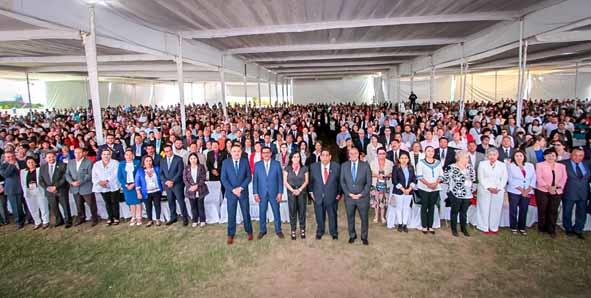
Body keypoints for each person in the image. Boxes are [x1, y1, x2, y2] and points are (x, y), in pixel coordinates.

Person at [221, 143, 253, 245]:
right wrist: (233, 190)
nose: (236, 153)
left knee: (246, 213)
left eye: (238, 151)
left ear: (241, 152)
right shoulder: (226, 162)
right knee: (231, 214)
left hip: (243, 192)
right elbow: (223, 178)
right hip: (231, 193)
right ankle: (231, 234)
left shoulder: (244, 161)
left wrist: (241, 188)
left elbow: (248, 177)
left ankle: (249, 231)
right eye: (234, 151)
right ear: (230, 152)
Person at [340, 147, 372, 245]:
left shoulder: (365, 166)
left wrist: (361, 194)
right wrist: (348, 193)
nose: (353, 155)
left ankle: (364, 237)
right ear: (349, 155)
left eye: (355, 153)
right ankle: (352, 235)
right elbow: (342, 182)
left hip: (362, 198)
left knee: (364, 218)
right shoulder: (344, 165)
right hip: (349, 198)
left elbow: (368, 183)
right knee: (350, 217)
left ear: (358, 154)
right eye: (351, 153)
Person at [308, 149, 341, 240]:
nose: (325, 157)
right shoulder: (313, 167)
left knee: (332, 215)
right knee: (319, 215)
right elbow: (311, 181)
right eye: (323, 155)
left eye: (327, 155)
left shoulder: (336, 167)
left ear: (330, 157)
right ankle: (320, 231)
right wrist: (311, 192)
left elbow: (339, 182)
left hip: (332, 196)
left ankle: (333, 232)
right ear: (320, 157)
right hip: (318, 196)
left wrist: (339, 193)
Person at [441, 150, 475, 237]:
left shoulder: (470, 167)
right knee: (454, 212)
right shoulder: (450, 167)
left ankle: (464, 229)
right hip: (455, 193)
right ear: (460, 158)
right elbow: (445, 179)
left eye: (468, 157)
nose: (467, 159)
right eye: (466, 157)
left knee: (464, 212)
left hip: (467, 194)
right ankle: (454, 229)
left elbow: (473, 178)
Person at [535, 148, 567, 238]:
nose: (550, 157)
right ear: (544, 157)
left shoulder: (561, 166)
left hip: (557, 191)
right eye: (548, 155)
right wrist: (548, 187)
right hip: (542, 190)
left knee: (553, 210)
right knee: (543, 209)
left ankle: (551, 229)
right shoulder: (539, 165)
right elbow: (539, 178)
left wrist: (556, 187)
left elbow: (564, 178)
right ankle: (542, 228)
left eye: (553, 155)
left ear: (556, 157)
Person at [253, 146, 284, 239]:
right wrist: (255, 193)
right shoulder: (257, 165)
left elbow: (280, 180)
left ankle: (278, 230)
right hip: (261, 193)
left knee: (276, 212)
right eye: (264, 152)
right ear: (262, 154)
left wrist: (280, 192)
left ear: (271, 153)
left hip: (274, 193)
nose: (266, 154)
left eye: (268, 152)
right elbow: (255, 180)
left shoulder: (277, 164)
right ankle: (262, 230)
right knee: (262, 212)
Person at [476, 148, 508, 235]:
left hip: (498, 190)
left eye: (494, 155)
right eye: (490, 155)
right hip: (485, 189)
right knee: (484, 207)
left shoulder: (502, 165)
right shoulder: (482, 164)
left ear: (497, 156)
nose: (492, 157)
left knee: (496, 209)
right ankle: (483, 226)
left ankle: (493, 227)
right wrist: (488, 187)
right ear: (487, 155)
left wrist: (499, 188)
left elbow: (504, 178)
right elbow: (480, 178)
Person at [560, 147, 589, 239]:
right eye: (575, 155)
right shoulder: (563, 164)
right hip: (569, 192)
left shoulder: (587, 164)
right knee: (567, 211)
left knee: (582, 212)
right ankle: (568, 228)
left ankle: (578, 229)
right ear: (571, 154)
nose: (578, 157)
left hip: (584, 192)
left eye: (580, 155)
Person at [506, 150, 536, 235]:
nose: (519, 158)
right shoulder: (510, 166)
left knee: (524, 209)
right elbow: (510, 179)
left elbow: (534, 178)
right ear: (513, 157)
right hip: (514, 191)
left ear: (524, 157)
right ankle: (513, 227)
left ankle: (522, 227)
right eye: (516, 156)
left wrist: (528, 189)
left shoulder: (530, 166)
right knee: (513, 209)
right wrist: (522, 190)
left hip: (528, 191)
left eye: (520, 156)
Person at [65, 147, 97, 226]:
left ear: (83, 153)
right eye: (76, 152)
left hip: (86, 187)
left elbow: (89, 175)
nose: (77, 154)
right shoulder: (70, 162)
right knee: (78, 205)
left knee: (91, 204)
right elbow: (67, 174)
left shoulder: (89, 162)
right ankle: (81, 218)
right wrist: (71, 182)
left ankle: (94, 218)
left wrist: (80, 182)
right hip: (75, 187)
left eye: (79, 152)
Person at [39, 151, 71, 228]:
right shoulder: (42, 167)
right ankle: (59, 220)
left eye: (52, 156)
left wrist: (55, 187)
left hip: (61, 189)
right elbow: (40, 180)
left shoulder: (63, 165)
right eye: (49, 157)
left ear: (55, 156)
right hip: (49, 191)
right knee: (54, 207)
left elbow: (64, 178)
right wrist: (47, 187)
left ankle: (68, 221)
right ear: (46, 159)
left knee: (65, 206)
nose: (51, 158)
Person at [415, 146, 443, 234]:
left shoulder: (438, 163)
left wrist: (435, 183)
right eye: (428, 151)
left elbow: (441, 175)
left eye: (432, 151)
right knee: (424, 206)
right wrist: (428, 184)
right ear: (425, 152)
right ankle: (424, 226)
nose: (430, 153)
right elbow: (419, 176)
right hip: (424, 188)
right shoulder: (421, 163)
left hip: (435, 188)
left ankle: (430, 226)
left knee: (432, 206)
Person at [160, 144, 188, 226]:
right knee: (170, 201)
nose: (168, 153)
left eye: (169, 151)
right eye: (166, 151)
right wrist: (166, 181)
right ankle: (173, 217)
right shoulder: (163, 160)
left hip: (177, 184)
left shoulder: (179, 159)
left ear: (172, 150)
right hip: (168, 185)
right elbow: (161, 173)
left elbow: (180, 172)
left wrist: (172, 181)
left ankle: (185, 218)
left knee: (181, 201)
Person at [283, 151, 309, 240]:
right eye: (294, 157)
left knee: (302, 211)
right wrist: (293, 190)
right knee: (292, 212)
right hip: (291, 192)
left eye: (298, 157)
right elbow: (285, 182)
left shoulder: (304, 168)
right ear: (291, 158)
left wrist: (300, 190)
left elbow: (306, 181)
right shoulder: (287, 168)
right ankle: (293, 230)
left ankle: (302, 229)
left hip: (302, 192)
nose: (296, 158)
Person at [92, 149, 121, 226]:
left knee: (114, 202)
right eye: (104, 154)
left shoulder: (115, 163)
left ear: (110, 155)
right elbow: (94, 176)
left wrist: (107, 181)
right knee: (107, 202)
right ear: (101, 155)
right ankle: (110, 217)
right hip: (102, 186)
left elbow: (115, 174)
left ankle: (116, 217)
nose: (106, 156)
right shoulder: (96, 164)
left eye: (108, 154)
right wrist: (100, 182)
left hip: (113, 185)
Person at [20, 157, 49, 229]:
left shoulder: (40, 170)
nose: (31, 164)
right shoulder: (23, 172)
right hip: (29, 191)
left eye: (32, 162)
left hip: (39, 190)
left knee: (43, 206)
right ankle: (37, 221)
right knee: (32, 207)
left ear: (35, 163)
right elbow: (22, 183)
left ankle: (45, 221)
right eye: (28, 162)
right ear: (26, 164)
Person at [390, 152, 415, 232]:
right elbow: (394, 180)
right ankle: (400, 224)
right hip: (398, 192)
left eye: (406, 158)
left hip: (409, 192)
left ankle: (405, 224)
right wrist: (403, 190)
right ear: (399, 159)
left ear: (408, 159)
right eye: (402, 158)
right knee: (399, 208)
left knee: (406, 208)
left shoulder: (411, 167)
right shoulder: (396, 168)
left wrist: (409, 189)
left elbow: (414, 179)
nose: (404, 160)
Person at [135, 155, 163, 227]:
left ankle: (158, 219)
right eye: (146, 161)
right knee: (148, 207)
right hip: (146, 192)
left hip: (156, 191)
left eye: (150, 160)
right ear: (143, 162)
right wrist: (138, 192)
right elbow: (137, 182)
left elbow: (161, 178)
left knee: (157, 205)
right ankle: (150, 220)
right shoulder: (140, 171)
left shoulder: (156, 169)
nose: (148, 162)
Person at [183, 152, 209, 227]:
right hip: (190, 190)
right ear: (189, 160)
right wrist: (190, 186)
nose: (193, 160)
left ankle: (202, 220)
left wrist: (197, 185)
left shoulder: (201, 167)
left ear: (197, 159)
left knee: (200, 205)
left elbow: (203, 177)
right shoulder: (186, 168)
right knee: (193, 206)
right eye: (191, 158)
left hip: (200, 189)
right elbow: (185, 179)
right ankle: (195, 220)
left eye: (194, 158)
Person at [0, 151, 25, 229]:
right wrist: (11, 165)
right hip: (12, 189)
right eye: (8, 157)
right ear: (5, 158)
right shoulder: (3, 166)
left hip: (25, 187)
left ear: (15, 156)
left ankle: (30, 219)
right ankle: (19, 222)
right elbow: (5, 174)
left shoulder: (22, 162)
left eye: (12, 156)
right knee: (16, 206)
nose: (11, 158)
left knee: (27, 205)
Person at [118, 150, 142, 226]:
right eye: (127, 155)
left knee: (138, 202)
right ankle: (133, 217)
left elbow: (139, 174)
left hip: (136, 185)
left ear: (133, 155)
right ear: (124, 156)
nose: (128, 156)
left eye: (130, 154)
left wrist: (134, 184)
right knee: (131, 202)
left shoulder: (137, 162)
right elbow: (119, 176)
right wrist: (125, 185)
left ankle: (139, 217)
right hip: (127, 187)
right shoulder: (121, 164)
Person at [370, 147, 393, 224]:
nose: (382, 155)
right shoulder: (373, 163)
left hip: (386, 185)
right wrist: (377, 175)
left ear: (386, 154)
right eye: (380, 153)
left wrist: (386, 175)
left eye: (383, 153)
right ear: (377, 154)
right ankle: (376, 216)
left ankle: (382, 216)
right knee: (376, 201)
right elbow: (370, 173)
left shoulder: (390, 163)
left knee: (383, 201)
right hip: (375, 184)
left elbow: (392, 173)